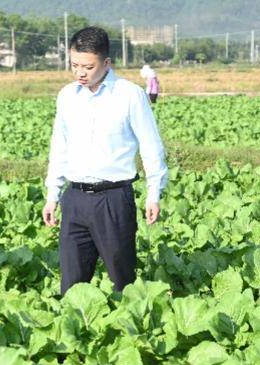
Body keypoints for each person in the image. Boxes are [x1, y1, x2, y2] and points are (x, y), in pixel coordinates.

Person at [42, 27, 168, 295]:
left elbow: (150, 146)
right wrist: (52, 194)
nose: (80, 73)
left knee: (123, 280)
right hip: (74, 198)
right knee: (72, 287)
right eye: (74, 65)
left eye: (88, 66)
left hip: (112, 199)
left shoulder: (130, 95)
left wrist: (153, 193)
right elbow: (59, 146)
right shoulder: (66, 96)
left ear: (106, 63)